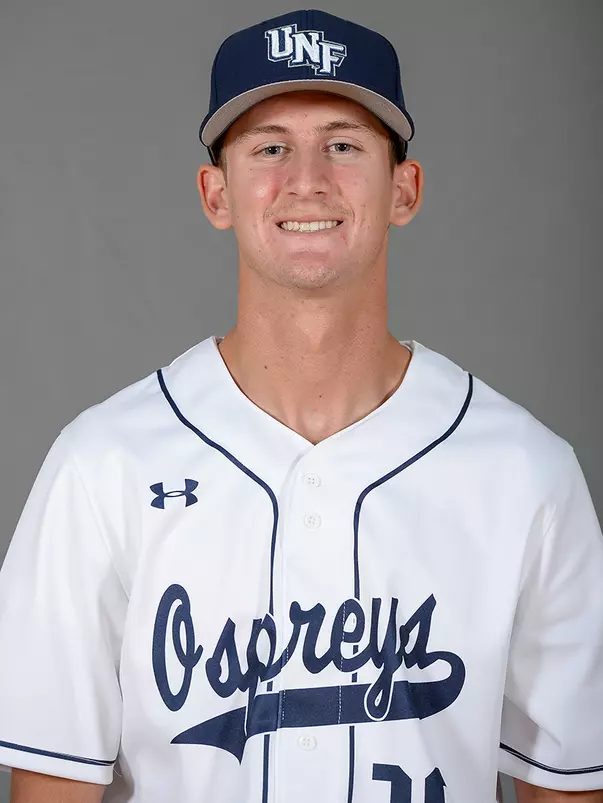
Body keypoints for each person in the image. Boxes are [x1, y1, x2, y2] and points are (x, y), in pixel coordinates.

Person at [1, 8, 602, 803]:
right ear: (216, 193)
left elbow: (565, 788)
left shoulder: (526, 474)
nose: (307, 179)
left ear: (405, 188)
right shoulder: (102, 465)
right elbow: (52, 788)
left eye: (344, 144)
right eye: (270, 147)